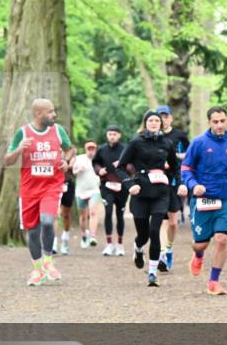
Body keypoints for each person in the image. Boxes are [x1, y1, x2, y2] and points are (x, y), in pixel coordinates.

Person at [3, 98, 74, 285]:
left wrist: (66, 161)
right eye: (50, 112)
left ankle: (48, 261)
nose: (54, 115)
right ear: (38, 114)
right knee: (33, 231)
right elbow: (7, 160)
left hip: (52, 186)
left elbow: (70, 149)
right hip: (29, 189)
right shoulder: (23, 132)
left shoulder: (58, 131)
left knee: (48, 221)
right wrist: (19, 149)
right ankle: (37, 270)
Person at [181, 106, 227, 295]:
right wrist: (193, 185)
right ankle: (198, 254)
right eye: (215, 121)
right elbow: (186, 168)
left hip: (225, 198)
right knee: (201, 243)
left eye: (222, 121)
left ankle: (214, 281)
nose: (219, 125)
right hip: (202, 199)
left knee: (222, 238)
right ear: (209, 122)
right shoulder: (199, 142)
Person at [117, 111, 186, 286]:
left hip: (161, 192)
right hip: (140, 191)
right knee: (143, 235)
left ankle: (152, 273)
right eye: (151, 120)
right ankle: (138, 248)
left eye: (157, 120)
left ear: (161, 124)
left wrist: (180, 184)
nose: (154, 123)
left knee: (155, 231)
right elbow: (121, 167)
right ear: (145, 123)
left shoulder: (167, 143)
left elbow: (175, 168)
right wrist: (129, 185)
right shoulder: (136, 142)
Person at [157, 105, 190, 272]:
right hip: (158, 182)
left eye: (165, 116)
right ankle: (162, 253)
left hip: (175, 182)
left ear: (170, 118)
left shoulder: (179, 135)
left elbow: (190, 154)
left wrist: (174, 156)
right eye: (160, 117)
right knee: (161, 220)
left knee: (173, 222)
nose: (163, 120)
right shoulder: (152, 136)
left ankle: (169, 247)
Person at [94, 125, 127, 256]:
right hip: (106, 185)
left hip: (122, 186)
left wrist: (126, 168)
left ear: (119, 135)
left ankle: (120, 245)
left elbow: (132, 165)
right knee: (108, 212)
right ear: (107, 135)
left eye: (114, 134)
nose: (112, 136)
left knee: (120, 214)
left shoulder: (125, 149)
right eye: (110, 134)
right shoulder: (101, 149)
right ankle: (109, 244)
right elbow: (95, 163)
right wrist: (99, 170)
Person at [71, 140, 102, 248]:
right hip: (81, 191)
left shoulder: (99, 159)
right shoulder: (79, 159)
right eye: (89, 148)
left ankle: (93, 236)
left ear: (96, 149)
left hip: (94, 190)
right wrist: (78, 170)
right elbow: (73, 172)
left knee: (93, 212)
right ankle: (84, 235)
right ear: (85, 149)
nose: (91, 150)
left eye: (93, 148)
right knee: (83, 216)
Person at [56, 166, 75, 255]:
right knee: (54, 214)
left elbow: (74, 170)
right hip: (53, 183)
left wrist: (69, 165)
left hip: (67, 183)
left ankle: (65, 239)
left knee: (66, 214)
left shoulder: (73, 155)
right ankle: (53, 243)